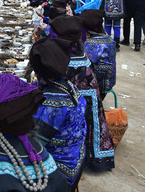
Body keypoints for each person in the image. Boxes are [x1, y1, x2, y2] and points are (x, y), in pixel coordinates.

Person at [49, 16, 115, 172]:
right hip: (90, 95)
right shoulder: (79, 49)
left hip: (79, 99)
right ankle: (95, 157)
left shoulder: (67, 57)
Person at [30, 37, 87, 192]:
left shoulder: (53, 102)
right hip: (77, 156)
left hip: (60, 170)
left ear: (37, 70)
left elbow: (33, 146)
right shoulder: (67, 85)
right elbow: (36, 87)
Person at [79, 10, 117, 98]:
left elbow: (83, 61)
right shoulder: (107, 38)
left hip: (100, 85)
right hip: (108, 80)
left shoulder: (93, 43)